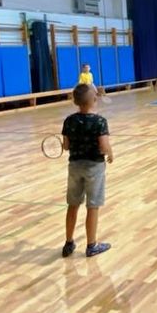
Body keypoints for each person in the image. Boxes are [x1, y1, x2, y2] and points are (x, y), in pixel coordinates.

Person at [60, 84, 113, 258]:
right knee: (93, 205)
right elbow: (104, 146)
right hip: (94, 168)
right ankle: (92, 245)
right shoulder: (100, 121)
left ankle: (69, 243)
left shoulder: (69, 121)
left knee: (73, 205)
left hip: (74, 167)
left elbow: (66, 146)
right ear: (94, 99)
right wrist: (111, 153)